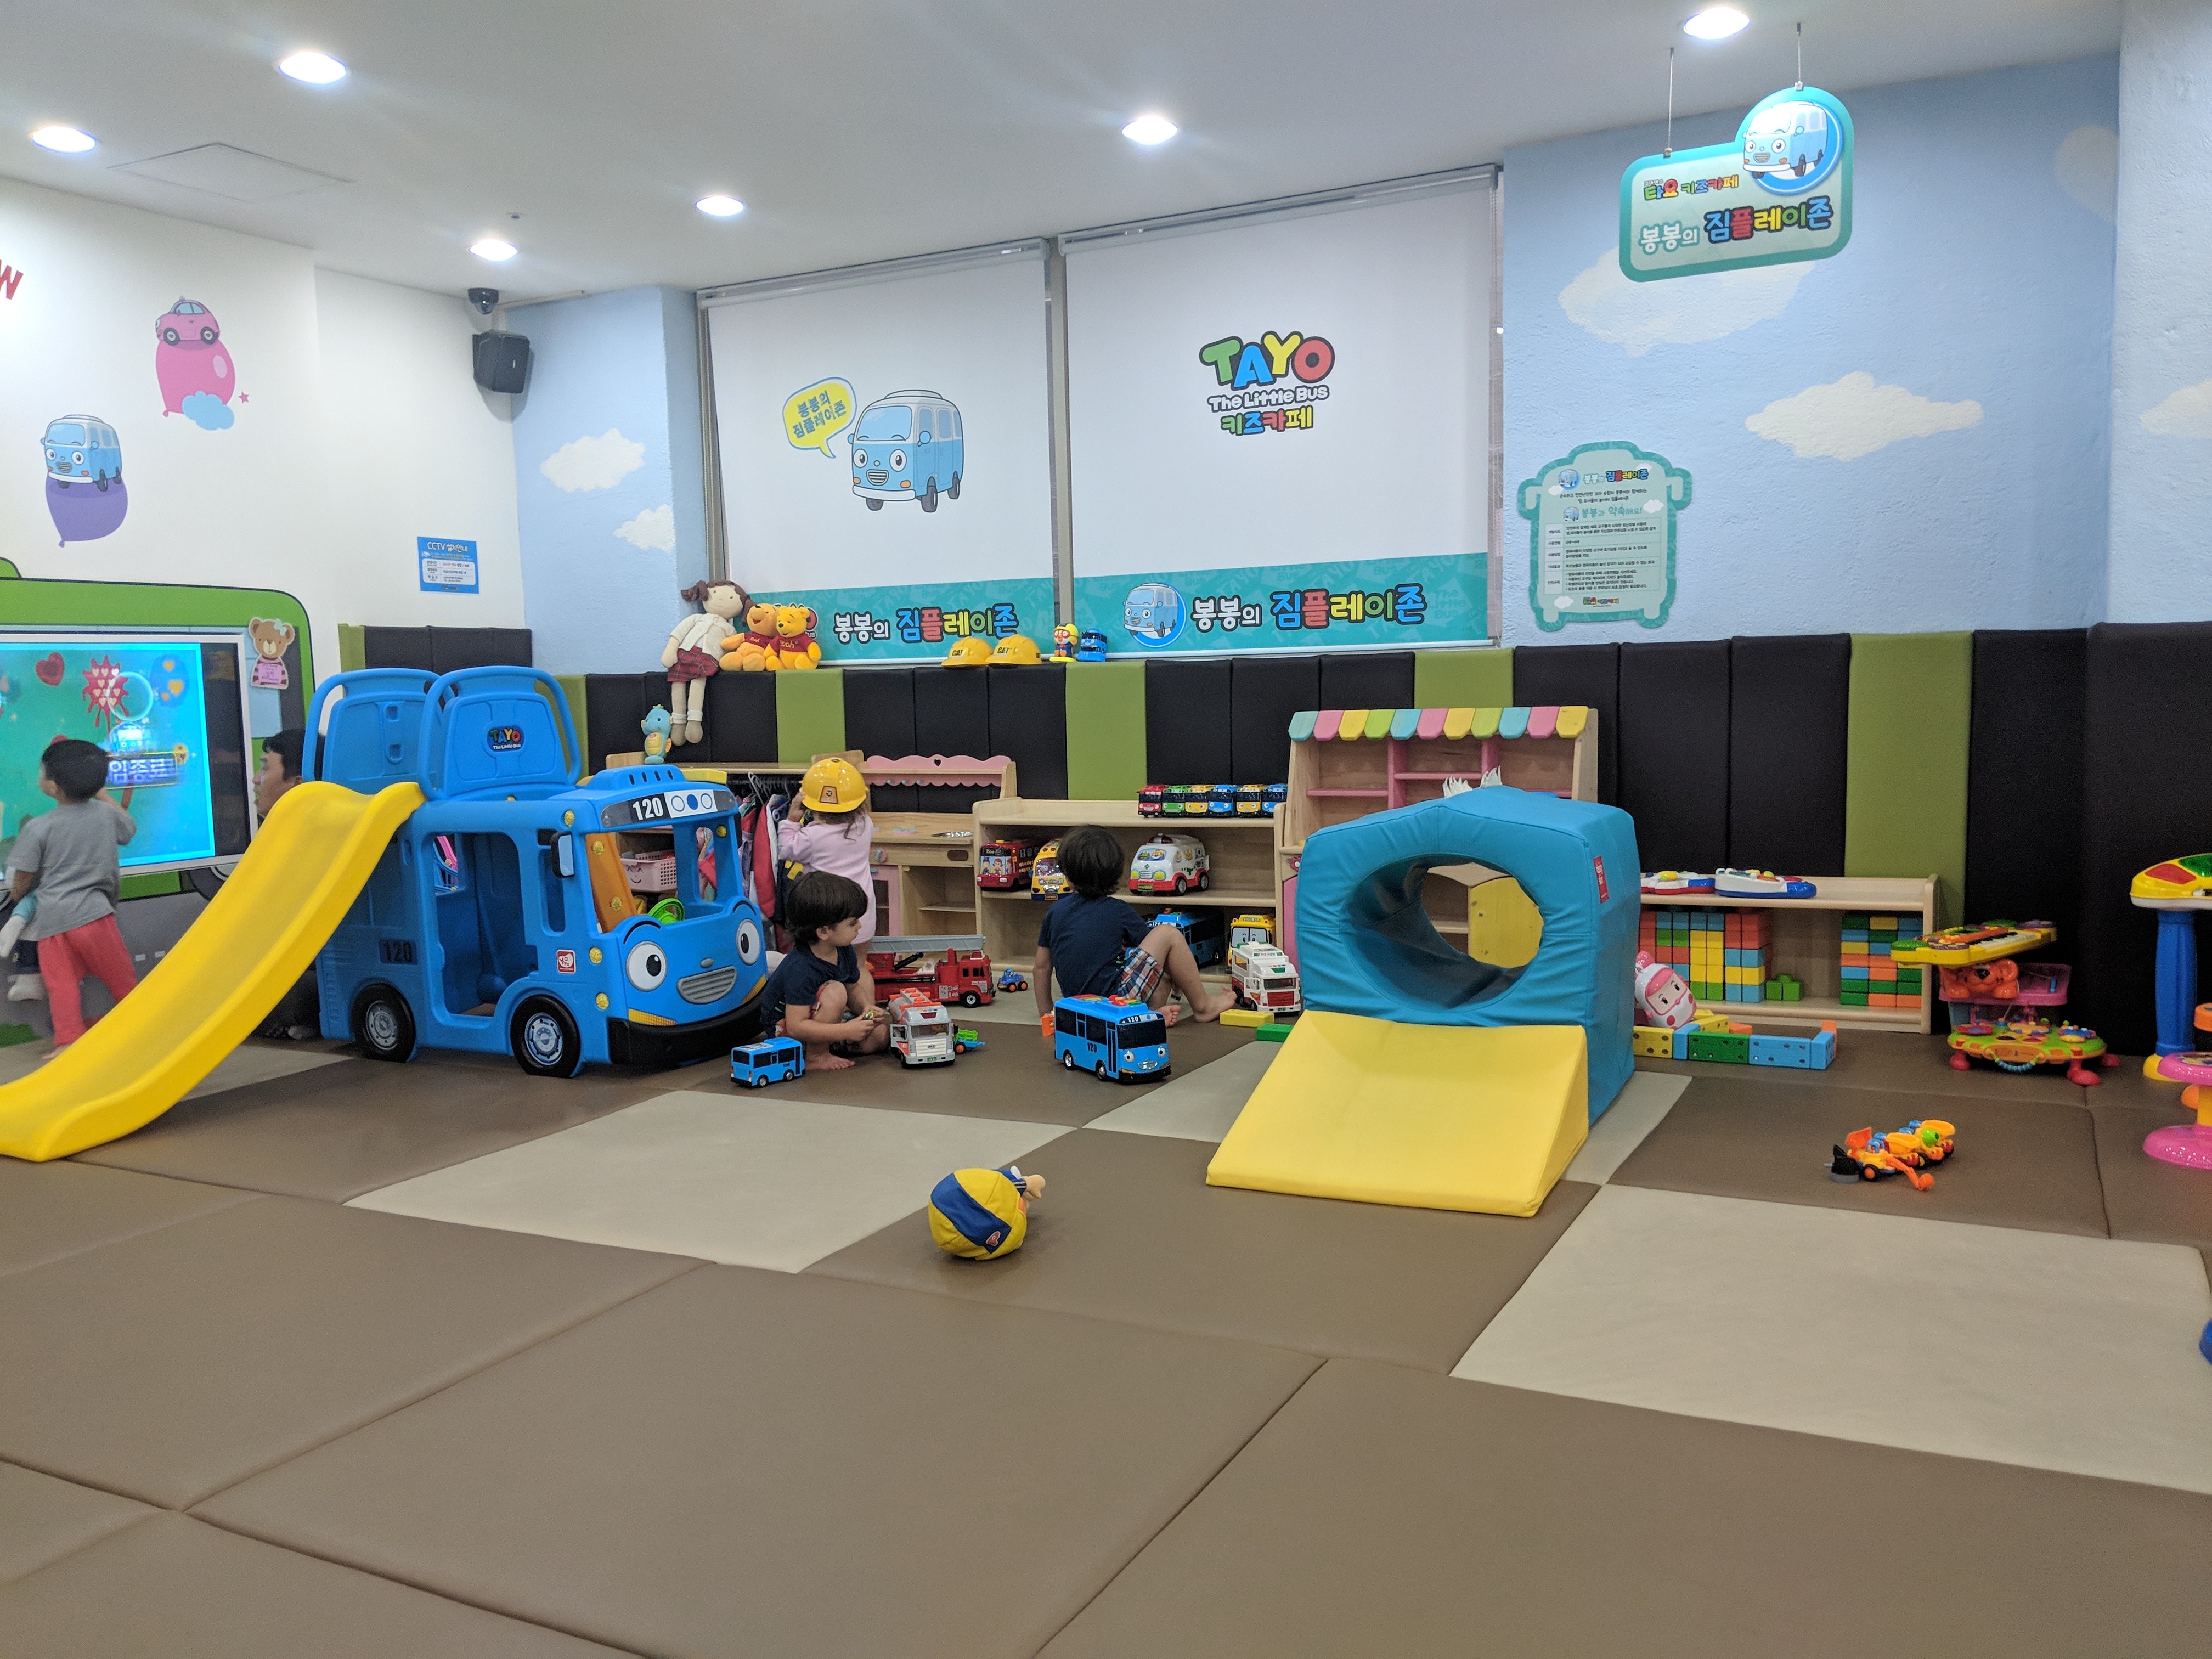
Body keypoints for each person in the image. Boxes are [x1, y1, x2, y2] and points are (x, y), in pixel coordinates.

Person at [5, 738, 139, 1050]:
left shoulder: (39, 828)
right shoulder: (106, 815)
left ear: (53, 787)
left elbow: (23, 875)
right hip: (96, 917)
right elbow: (128, 830)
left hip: (52, 921)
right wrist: (101, 793)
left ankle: (67, 1042)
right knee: (120, 979)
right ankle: (139, 1024)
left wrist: (19, 898)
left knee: (61, 985)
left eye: (42, 772)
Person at [1032, 825, 1233, 1032]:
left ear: (1067, 872)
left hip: (1077, 1007)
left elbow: (1041, 967)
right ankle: (1203, 1007)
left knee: (1163, 976)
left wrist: (1048, 1014)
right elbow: (1157, 952)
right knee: (1168, 935)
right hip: (1114, 1002)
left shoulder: (1055, 911)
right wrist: (1178, 975)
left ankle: (1149, 1016)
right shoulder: (1118, 910)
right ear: (1114, 872)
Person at [763, 871, 888, 1071]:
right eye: (852, 922)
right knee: (836, 991)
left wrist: (866, 1008)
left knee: (879, 1037)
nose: (859, 926)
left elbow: (853, 988)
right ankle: (816, 1056)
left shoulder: (843, 949)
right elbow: (796, 1026)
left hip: (819, 1020)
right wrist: (846, 1030)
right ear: (824, 931)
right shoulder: (801, 968)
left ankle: (827, 1046)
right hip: (785, 1031)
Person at [253, 729, 320, 1040]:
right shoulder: (279, 835)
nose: (256, 779)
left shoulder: (310, 843)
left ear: (297, 782)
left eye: (265, 768)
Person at [778, 757, 876, 943]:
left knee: (826, 961)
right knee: (859, 960)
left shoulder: (812, 837)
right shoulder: (866, 824)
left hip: (829, 923)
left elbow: (787, 850)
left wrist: (791, 821)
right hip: (861, 917)